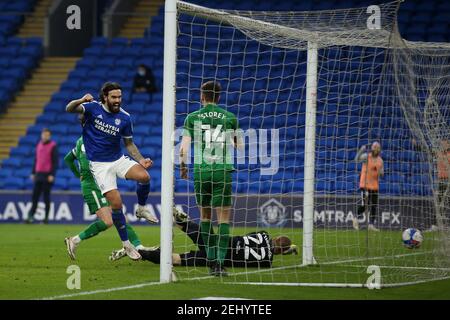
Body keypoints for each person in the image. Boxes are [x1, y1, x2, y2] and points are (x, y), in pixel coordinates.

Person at [65, 82, 158, 260]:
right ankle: (127, 244)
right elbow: (69, 109)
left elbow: (129, 144)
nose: (117, 100)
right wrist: (81, 99)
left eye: (120, 97)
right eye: (114, 97)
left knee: (144, 176)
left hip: (117, 159)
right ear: (105, 97)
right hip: (99, 166)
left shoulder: (125, 118)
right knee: (116, 205)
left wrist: (141, 160)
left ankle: (141, 208)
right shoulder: (92, 109)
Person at [179, 80, 243, 276]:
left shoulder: (192, 117)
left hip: (201, 172)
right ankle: (220, 264)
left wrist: (183, 167)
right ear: (219, 96)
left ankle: (211, 261)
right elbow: (239, 146)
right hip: (222, 171)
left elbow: (183, 149)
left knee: (205, 217)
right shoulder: (230, 117)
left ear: (202, 96)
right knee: (223, 220)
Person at [110, 207, 298, 271]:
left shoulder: (264, 234)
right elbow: (272, 251)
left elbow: (252, 239)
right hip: (218, 258)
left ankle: (179, 219)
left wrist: (286, 247)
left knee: (198, 232)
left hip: (221, 243)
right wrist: (287, 250)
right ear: (280, 251)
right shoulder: (267, 262)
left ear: (275, 238)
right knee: (175, 259)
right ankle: (137, 252)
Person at [26, 128, 58, 224]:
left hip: (47, 175)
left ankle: (46, 218)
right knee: (34, 197)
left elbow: (55, 162)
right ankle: (31, 216)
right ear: (41, 135)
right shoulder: (38, 144)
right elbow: (36, 160)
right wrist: (33, 172)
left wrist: (52, 174)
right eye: (44, 134)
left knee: (46, 197)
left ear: (50, 136)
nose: (45, 136)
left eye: (47, 135)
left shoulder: (53, 146)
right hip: (38, 174)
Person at [353, 141, 384, 231]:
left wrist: (380, 173)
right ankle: (355, 218)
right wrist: (360, 151)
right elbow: (356, 159)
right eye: (374, 147)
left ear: (379, 150)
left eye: (377, 147)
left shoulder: (380, 161)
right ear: (372, 148)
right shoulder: (367, 157)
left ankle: (371, 224)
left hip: (374, 186)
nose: (376, 149)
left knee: (374, 205)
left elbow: (382, 173)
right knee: (365, 204)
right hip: (365, 185)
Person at [428, 139, 450, 231]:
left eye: (445, 143)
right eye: (442, 143)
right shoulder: (439, 153)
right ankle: (435, 225)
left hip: (448, 181)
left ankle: (447, 225)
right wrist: (416, 144)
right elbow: (427, 150)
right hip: (441, 181)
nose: (443, 145)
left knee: (447, 203)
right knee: (439, 203)